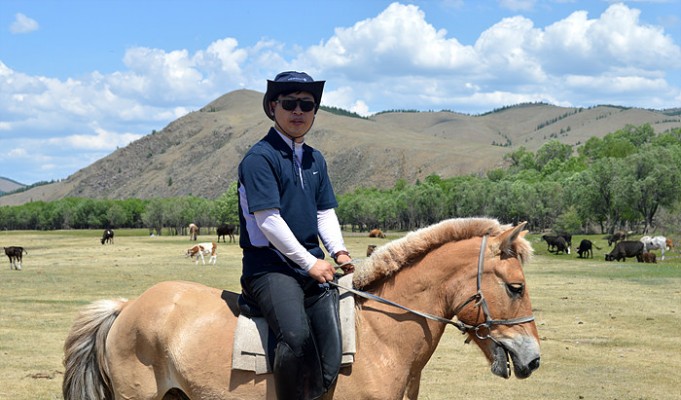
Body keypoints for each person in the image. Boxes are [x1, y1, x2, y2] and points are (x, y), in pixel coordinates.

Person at [237, 71, 354, 400]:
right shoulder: (259, 158)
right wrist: (310, 263)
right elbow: (268, 221)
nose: (298, 111)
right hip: (269, 269)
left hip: (310, 269)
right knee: (296, 337)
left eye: (307, 105)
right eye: (289, 103)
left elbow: (323, 212)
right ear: (273, 107)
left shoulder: (315, 159)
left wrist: (339, 251)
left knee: (332, 347)